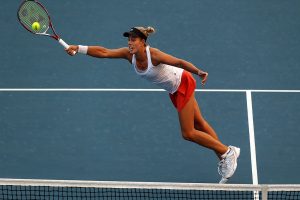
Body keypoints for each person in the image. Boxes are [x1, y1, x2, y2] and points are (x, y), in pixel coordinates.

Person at [66, 26, 240, 183]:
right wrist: (78, 48)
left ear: (143, 42)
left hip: (183, 83)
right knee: (199, 123)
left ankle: (227, 152)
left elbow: (178, 62)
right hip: (173, 89)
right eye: (128, 39)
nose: (130, 42)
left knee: (188, 133)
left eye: (133, 39)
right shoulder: (129, 55)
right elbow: (104, 52)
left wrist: (198, 71)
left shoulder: (154, 54)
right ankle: (225, 156)